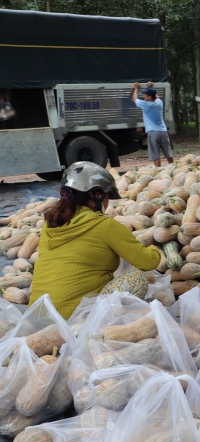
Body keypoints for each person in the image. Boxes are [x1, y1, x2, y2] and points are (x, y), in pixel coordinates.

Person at [29, 162, 161, 318]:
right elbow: (148, 262)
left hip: (36, 315)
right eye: (107, 197)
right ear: (97, 195)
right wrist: (155, 248)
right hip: (73, 317)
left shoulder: (49, 224)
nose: (107, 203)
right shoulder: (105, 226)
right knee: (136, 278)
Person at [132, 82, 173, 167]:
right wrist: (150, 87)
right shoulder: (159, 103)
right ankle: (173, 167)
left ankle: (158, 171)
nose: (144, 96)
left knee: (155, 154)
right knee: (168, 153)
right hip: (163, 131)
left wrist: (136, 89)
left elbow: (135, 99)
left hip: (153, 132)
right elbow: (156, 97)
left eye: (145, 95)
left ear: (149, 97)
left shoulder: (145, 105)